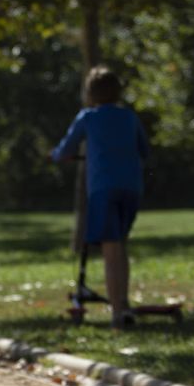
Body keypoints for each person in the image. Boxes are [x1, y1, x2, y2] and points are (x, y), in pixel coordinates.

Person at [50, 65, 150, 330]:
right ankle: (124, 302)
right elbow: (144, 149)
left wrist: (56, 155)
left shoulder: (88, 117)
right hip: (131, 187)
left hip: (103, 188)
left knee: (110, 248)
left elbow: (64, 149)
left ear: (90, 93)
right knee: (120, 245)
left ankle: (117, 313)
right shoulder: (129, 117)